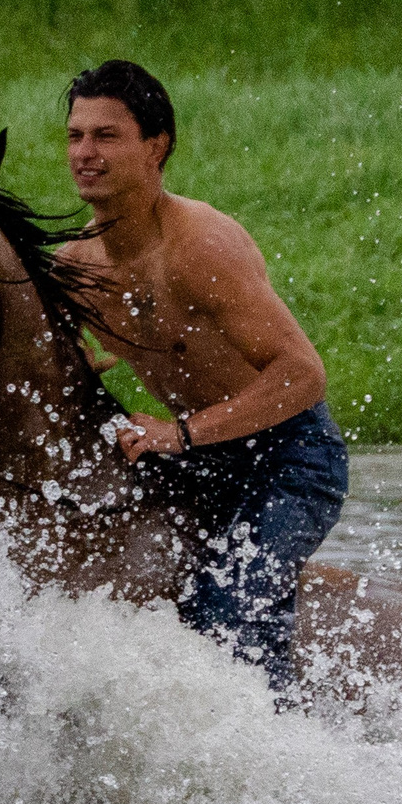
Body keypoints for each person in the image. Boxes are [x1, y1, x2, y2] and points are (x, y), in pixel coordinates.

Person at [54, 59, 347, 689]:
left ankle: (281, 748)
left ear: (156, 146)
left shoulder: (201, 245)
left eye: (106, 136)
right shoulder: (73, 266)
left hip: (291, 457)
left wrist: (178, 433)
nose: (85, 153)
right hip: (191, 458)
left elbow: (303, 374)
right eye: (76, 136)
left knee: (227, 612)